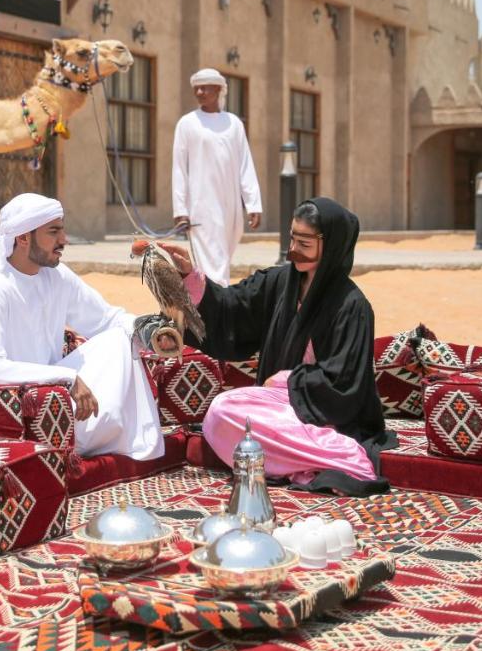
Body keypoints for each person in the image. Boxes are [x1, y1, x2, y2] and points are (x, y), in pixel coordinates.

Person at [154, 196, 393, 496]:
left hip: (326, 415)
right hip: (277, 409)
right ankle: (306, 460)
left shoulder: (352, 306)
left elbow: (345, 384)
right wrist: (190, 277)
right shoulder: (280, 282)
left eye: (304, 244)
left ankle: (344, 457)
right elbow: (232, 309)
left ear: (330, 246)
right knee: (219, 419)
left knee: (225, 409)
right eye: (292, 239)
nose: (293, 251)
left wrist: (288, 382)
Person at [0, 193, 165, 461]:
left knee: (119, 339)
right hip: (14, 405)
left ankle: (126, 443)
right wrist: (65, 378)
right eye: (53, 232)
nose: (64, 240)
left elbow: (106, 319)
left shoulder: (56, 276)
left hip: (57, 394)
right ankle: (90, 441)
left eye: (62, 230)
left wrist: (152, 333)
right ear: (23, 238)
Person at [171, 68, 263, 286]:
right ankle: (216, 309)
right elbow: (178, 169)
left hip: (230, 207)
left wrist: (253, 204)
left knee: (221, 258)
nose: (200, 92)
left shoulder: (234, 124)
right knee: (213, 261)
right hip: (200, 206)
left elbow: (245, 165)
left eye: (206, 87)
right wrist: (181, 210)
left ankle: (207, 304)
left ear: (220, 89)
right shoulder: (187, 123)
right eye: (197, 88)